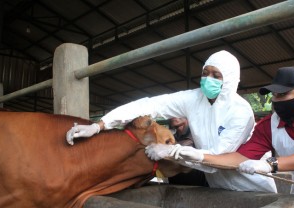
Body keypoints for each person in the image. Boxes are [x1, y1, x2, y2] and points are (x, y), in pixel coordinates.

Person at [66, 50, 277, 193]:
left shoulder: (241, 112)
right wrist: (100, 125)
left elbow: (218, 160)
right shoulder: (194, 98)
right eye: (205, 73)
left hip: (251, 188)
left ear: (229, 79)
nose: (208, 79)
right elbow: (150, 104)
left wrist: (173, 152)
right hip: (218, 190)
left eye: (216, 75)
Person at [151, 66, 294, 196]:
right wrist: (197, 156)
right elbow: (239, 157)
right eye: (273, 95)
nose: (276, 101)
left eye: (282, 95)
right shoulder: (269, 126)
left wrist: (270, 164)